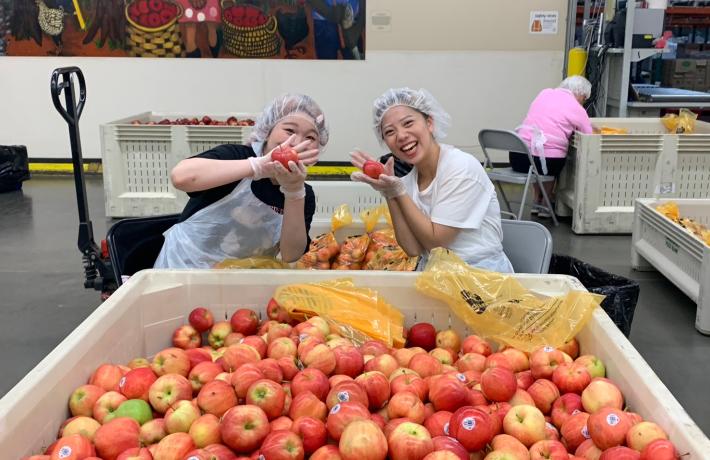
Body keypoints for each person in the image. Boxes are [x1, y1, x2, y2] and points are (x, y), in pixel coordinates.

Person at [154, 94, 328, 269]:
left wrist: (294, 191)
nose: (297, 142)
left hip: (242, 282)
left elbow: (291, 254)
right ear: (267, 131)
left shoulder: (303, 194)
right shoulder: (236, 156)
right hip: (184, 272)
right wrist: (257, 167)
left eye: (310, 138)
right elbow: (181, 177)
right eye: (289, 131)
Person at [350, 88, 513, 273]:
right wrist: (389, 193)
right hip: (436, 278)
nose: (401, 135)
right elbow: (413, 249)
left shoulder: (460, 168)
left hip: (482, 277)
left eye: (408, 123)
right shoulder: (408, 181)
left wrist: (398, 192)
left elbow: (437, 245)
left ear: (429, 123)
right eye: (389, 132)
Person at [511, 76, 594, 217]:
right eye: (584, 99)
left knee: (537, 160)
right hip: (546, 163)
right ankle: (546, 203)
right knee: (550, 161)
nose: (583, 102)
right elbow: (589, 134)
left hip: (518, 157)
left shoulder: (544, 93)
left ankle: (536, 200)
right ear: (581, 94)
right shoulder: (575, 107)